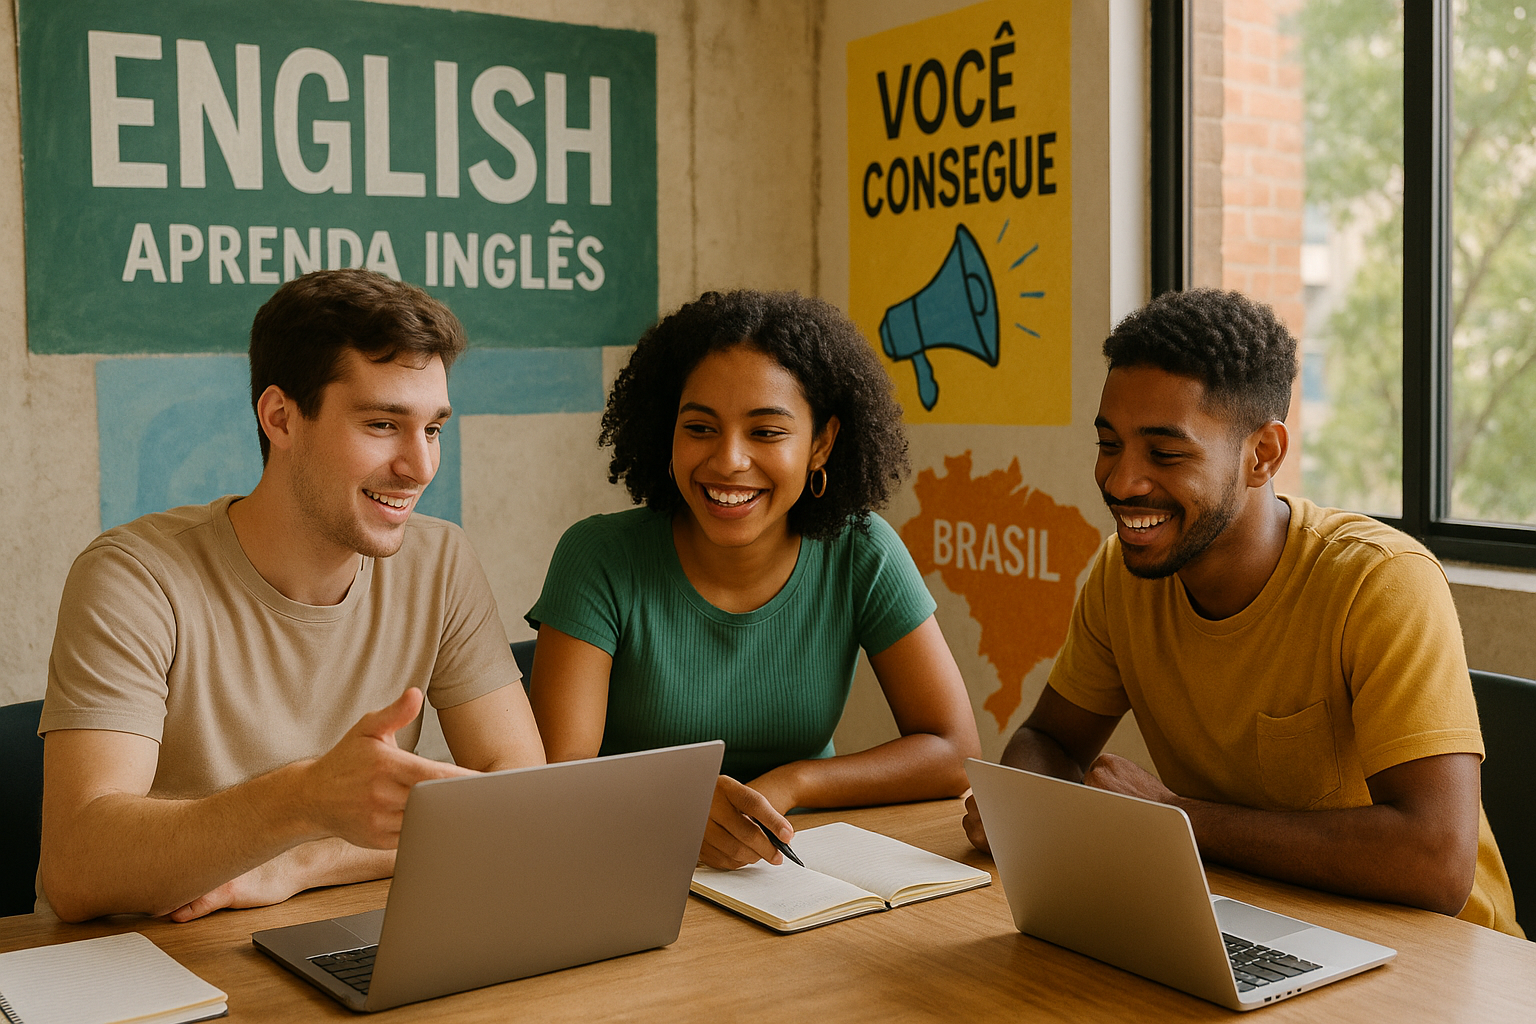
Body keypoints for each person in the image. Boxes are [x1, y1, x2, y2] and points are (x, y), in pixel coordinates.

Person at [962, 288, 1522, 937]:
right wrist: (1028, 809)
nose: (1120, 482)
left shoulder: (1380, 583)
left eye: (1165, 454)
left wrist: (1175, 818)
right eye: (1108, 444)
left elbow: (1435, 864)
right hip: (1246, 920)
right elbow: (1051, 739)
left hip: (1437, 961)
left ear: (1263, 456)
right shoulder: (1120, 574)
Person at [39, 269, 545, 923]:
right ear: (280, 418)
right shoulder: (135, 577)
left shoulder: (440, 560)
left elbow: (521, 799)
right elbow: (78, 869)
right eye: (383, 424)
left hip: (330, 919)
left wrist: (304, 860)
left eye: (433, 429)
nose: (420, 467)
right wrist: (303, 798)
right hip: (149, 954)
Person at [526, 289, 980, 870]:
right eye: (700, 428)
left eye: (766, 432)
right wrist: (682, 805)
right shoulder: (599, 556)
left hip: (793, 862)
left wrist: (793, 784)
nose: (729, 461)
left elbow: (954, 751)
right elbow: (559, 776)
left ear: (822, 443)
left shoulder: (862, 551)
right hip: (626, 858)